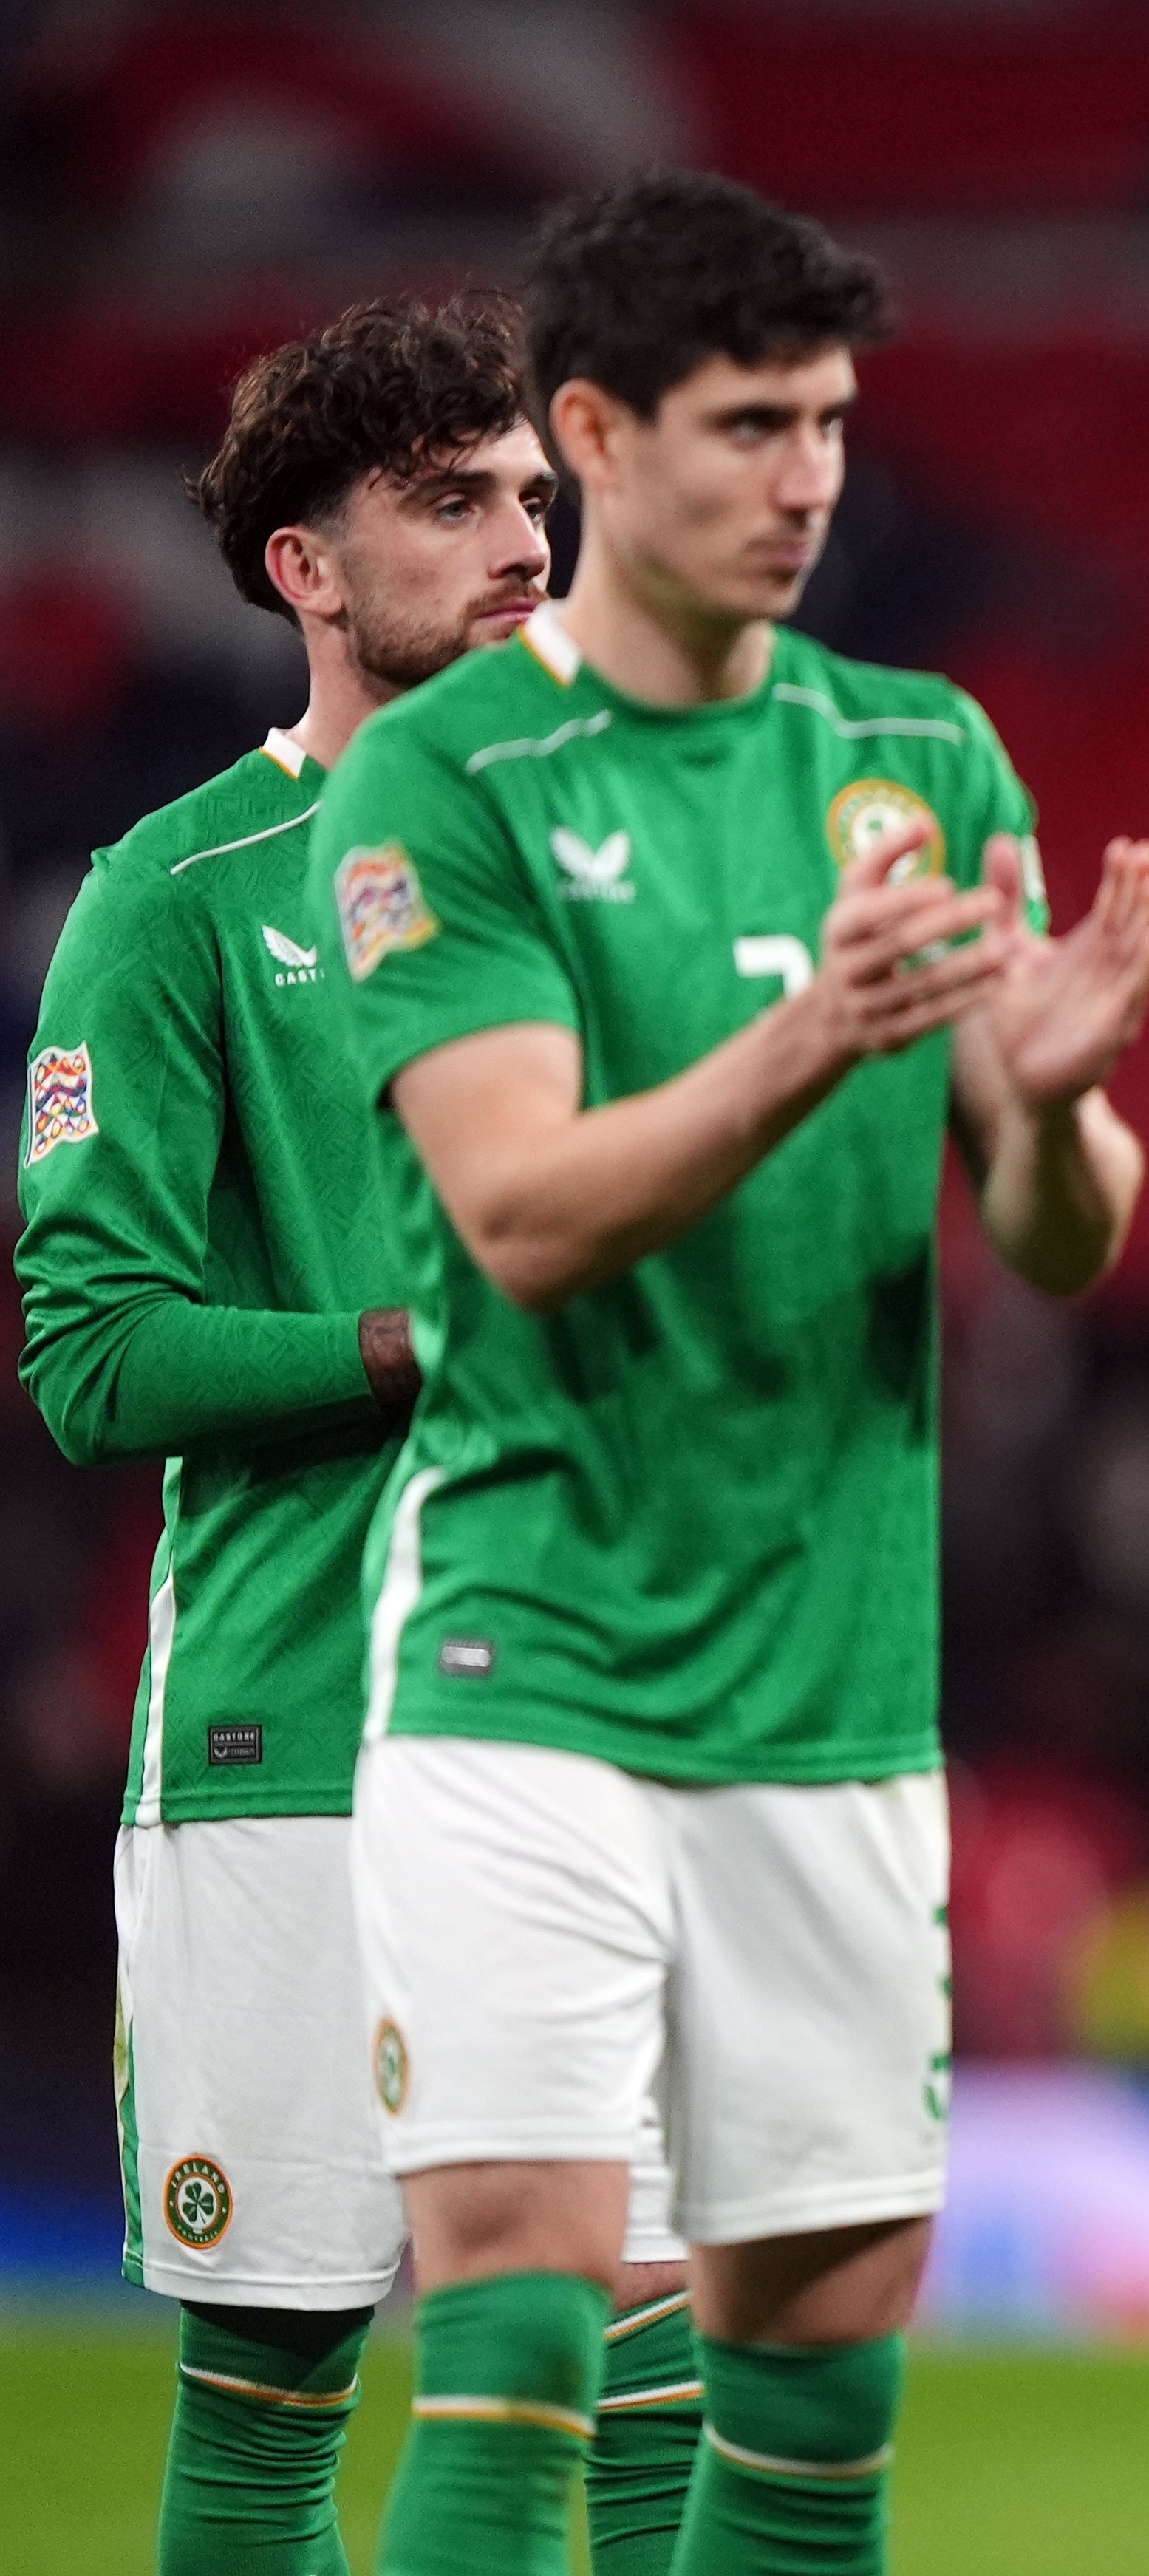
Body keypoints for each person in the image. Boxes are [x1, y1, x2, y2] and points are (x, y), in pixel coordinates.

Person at [308, 170, 1149, 2576]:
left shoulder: (921, 749)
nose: (809, 480)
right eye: (747, 427)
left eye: (833, 425)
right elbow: (521, 1208)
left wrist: (1062, 1097)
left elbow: (1054, 1233)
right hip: (531, 1656)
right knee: (518, 2313)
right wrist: (819, 1037)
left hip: (835, 1689)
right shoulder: (449, 781)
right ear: (589, 428)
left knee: (815, 2376)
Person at [17, 293, 701, 2576]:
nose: (524, 533)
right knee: (267, 2414)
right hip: (302, 1737)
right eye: (449, 500)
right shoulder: (181, 896)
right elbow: (94, 1352)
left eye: (532, 490)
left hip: (623, 1719)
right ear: (306, 565)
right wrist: (424, 1341)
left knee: (653, 2373)